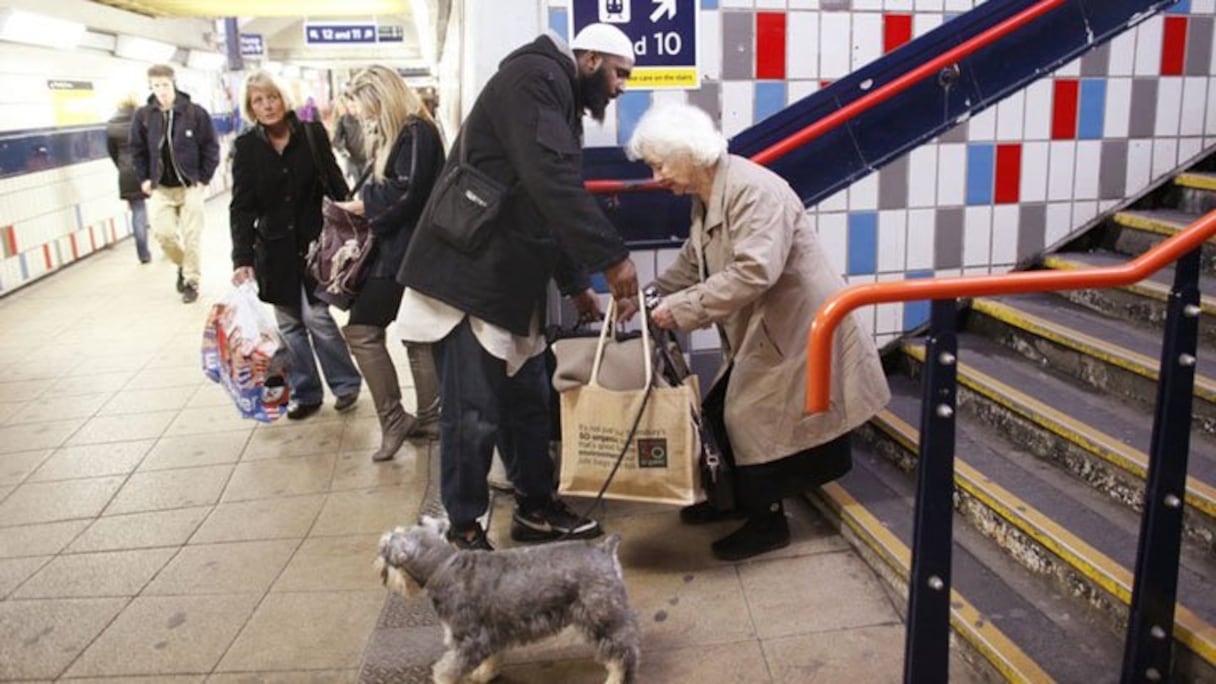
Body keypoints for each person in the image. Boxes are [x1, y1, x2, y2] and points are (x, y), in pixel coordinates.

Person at [394, 23, 640, 550]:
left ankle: (535, 508)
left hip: (506, 280)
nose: (622, 87)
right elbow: (550, 180)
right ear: (591, 59)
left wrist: (576, 285)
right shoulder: (535, 78)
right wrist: (613, 259)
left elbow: (544, 198)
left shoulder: (556, 94)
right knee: (473, 414)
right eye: (620, 74)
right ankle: (463, 530)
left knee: (526, 403)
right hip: (469, 278)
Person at [627, 102, 892, 561]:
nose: (656, 177)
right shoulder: (709, 193)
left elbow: (755, 271)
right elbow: (694, 260)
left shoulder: (755, 191)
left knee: (749, 416)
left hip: (800, 326)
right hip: (768, 325)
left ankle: (768, 523)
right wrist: (650, 294)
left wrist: (682, 309)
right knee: (720, 410)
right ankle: (730, 500)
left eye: (660, 164)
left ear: (689, 152)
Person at [229, 71, 363, 421]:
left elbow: (334, 181)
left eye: (272, 97)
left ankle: (345, 384)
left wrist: (351, 223)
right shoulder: (246, 147)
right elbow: (241, 207)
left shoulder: (311, 133)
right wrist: (241, 257)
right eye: (258, 100)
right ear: (251, 108)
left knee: (317, 316)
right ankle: (307, 393)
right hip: (273, 251)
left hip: (316, 243)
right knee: (289, 325)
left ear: (283, 99)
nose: (267, 105)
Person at [337, 65, 445, 462]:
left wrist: (363, 206)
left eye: (366, 105)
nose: (363, 114)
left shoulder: (414, 132)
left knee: (362, 330)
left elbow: (407, 192)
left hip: (403, 253)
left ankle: (396, 419)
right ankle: (430, 418)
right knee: (418, 335)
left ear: (383, 97)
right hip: (411, 251)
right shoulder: (409, 131)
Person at [130, 63, 220, 304]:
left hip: (190, 186)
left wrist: (204, 178)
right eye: (156, 86)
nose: (161, 90)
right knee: (164, 235)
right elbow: (136, 150)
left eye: (165, 85)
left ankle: (191, 281)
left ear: (174, 83)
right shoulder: (144, 116)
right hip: (161, 188)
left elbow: (211, 146)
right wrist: (144, 178)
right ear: (150, 87)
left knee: (192, 236)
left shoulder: (194, 113)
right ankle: (183, 265)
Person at [105, 94, 151, 264]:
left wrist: (122, 168)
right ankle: (169, 242)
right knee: (162, 207)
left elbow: (112, 152)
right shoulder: (143, 119)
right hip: (146, 170)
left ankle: (143, 254)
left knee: (138, 212)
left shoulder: (111, 124)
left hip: (126, 173)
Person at [330, 95, 367, 185]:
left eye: (354, 106)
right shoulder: (343, 120)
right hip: (353, 159)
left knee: (367, 184)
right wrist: (344, 152)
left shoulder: (366, 118)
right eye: (350, 107)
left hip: (368, 158)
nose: (353, 109)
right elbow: (336, 140)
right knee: (359, 184)